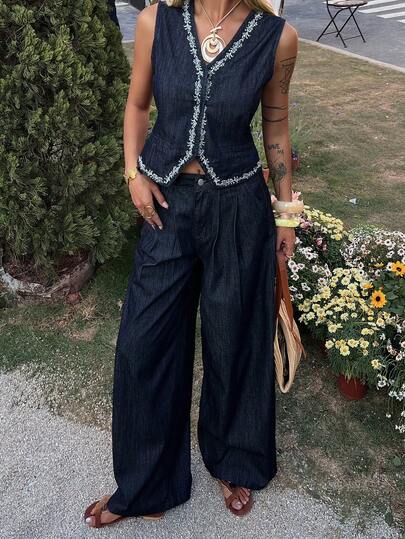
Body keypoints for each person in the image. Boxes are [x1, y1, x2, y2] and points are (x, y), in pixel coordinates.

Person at [84, 0, 299, 528]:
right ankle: (147, 483)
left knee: (233, 340)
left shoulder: (277, 37)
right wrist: (133, 174)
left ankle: (233, 460)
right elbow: (137, 107)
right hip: (167, 207)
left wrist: (286, 213)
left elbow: (276, 127)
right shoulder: (156, 22)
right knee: (143, 343)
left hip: (238, 207)